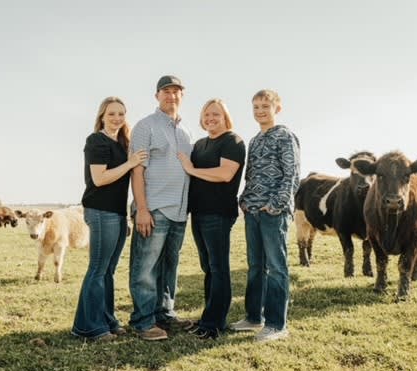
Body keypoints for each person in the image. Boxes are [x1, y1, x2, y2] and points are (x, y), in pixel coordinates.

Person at [71, 96, 148, 341]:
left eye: (121, 114)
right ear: (102, 116)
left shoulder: (123, 142)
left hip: (117, 212)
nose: (117, 118)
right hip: (100, 210)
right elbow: (100, 178)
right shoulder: (96, 141)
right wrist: (131, 162)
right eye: (111, 113)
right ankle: (89, 327)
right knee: (97, 268)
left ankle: (107, 319)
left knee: (108, 271)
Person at [231, 89, 301, 342]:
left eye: (265, 106)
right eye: (256, 107)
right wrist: (245, 200)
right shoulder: (255, 140)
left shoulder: (285, 136)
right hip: (252, 211)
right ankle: (253, 317)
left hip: (273, 213)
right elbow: (250, 175)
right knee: (255, 267)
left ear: (277, 109)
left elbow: (291, 175)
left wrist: (275, 205)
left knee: (276, 268)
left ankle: (276, 325)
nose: (260, 111)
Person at [128, 75, 194, 341]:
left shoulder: (186, 132)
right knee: (146, 267)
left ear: (182, 95)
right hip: (154, 209)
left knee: (170, 267)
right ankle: (143, 322)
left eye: (176, 91)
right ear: (157, 96)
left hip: (179, 211)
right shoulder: (146, 126)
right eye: (165, 91)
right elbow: (137, 170)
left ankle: (165, 315)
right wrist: (142, 209)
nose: (171, 95)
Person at [177, 99, 245, 339]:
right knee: (208, 267)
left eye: (215, 114)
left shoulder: (233, 141)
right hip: (199, 212)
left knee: (219, 268)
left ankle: (215, 323)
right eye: (206, 115)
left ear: (225, 116)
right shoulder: (200, 144)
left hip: (218, 213)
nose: (210, 119)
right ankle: (208, 317)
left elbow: (225, 174)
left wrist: (191, 169)